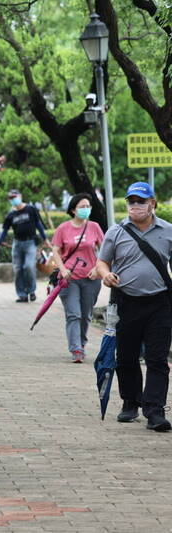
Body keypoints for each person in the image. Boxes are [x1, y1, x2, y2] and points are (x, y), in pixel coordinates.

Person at [97, 181, 172, 431]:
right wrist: (106, 275)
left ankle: (155, 410)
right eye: (132, 201)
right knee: (127, 357)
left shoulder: (168, 231)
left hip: (160, 302)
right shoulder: (116, 232)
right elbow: (102, 262)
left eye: (141, 201)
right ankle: (130, 402)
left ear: (153, 203)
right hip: (126, 301)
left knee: (157, 358)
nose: (136, 206)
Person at [52, 193, 104, 363]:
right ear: (73, 210)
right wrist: (63, 269)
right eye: (82, 207)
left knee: (86, 315)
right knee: (73, 314)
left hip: (91, 278)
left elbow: (104, 251)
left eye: (88, 206)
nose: (86, 209)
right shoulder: (63, 229)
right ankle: (76, 349)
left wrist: (98, 269)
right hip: (69, 279)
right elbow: (55, 251)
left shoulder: (94, 227)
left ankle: (81, 342)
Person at [0, 189, 50, 302]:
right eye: (10, 198)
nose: (13, 199)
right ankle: (22, 295)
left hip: (30, 243)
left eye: (14, 197)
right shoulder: (10, 215)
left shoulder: (31, 209)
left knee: (29, 266)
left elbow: (38, 225)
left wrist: (46, 239)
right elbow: (4, 231)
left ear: (20, 196)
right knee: (18, 269)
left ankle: (31, 290)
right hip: (17, 244)